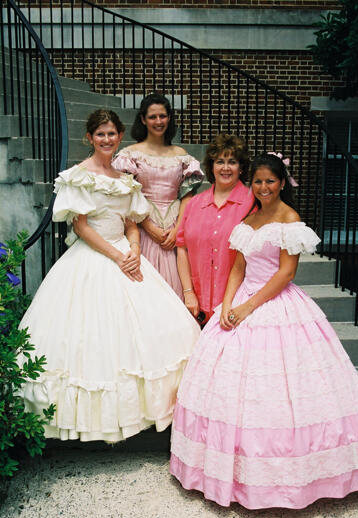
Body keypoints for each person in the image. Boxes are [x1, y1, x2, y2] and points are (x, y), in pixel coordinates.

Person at [170, 152, 358, 509]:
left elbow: (285, 274)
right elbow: (237, 268)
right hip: (242, 297)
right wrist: (227, 306)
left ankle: (289, 478)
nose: (263, 187)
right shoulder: (249, 219)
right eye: (258, 181)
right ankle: (223, 470)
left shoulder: (290, 219)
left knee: (280, 393)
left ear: (282, 183)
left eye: (270, 181)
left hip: (274, 301)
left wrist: (249, 307)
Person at [18, 109, 200, 443]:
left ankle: (148, 417)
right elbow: (82, 227)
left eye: (112, 134)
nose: (107, 139)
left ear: (120, 137)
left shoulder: (125, 178)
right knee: (91, 340)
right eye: (100, 134)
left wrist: (134, 250)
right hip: (94, 257)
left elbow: (132, 222)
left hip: (126, 254)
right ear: (89, 138)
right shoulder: (78, 176)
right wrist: (117, 256)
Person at [112, 93, 204, 299]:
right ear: (143, 119)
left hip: (175, 225)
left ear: (169, 118)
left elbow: (187, 194)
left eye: (163, 116)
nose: (158, 121)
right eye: (152, 117)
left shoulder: (181, 154)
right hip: (143, 225)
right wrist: (149, 227)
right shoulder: (130, 155)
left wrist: (179, 228)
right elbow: (127, 198)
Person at [176, 134, 255, 323]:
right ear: (212, 166)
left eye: (232, 162)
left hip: (236, 305)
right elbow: (181, 248)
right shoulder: (194, 204)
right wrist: (188, 293)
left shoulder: (252, 205)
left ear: (241, 168)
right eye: (220, 161)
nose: (225, 168)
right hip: (196, 306)